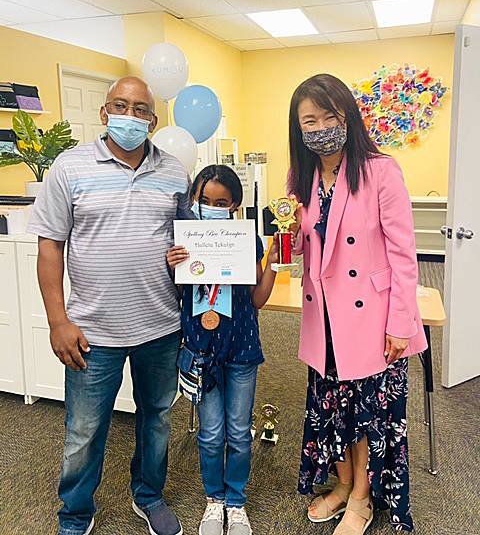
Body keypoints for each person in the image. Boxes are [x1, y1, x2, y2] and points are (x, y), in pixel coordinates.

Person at [27, 76, 192, 535]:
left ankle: (149, 496)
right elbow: (48, 248)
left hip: (161, 325)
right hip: (91, 332)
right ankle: (76, 514)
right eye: (121, 105)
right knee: (83, 432)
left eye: (141, 109)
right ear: (104, 113)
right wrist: (57, 320)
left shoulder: (174, 171)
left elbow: (191, 241)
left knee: (156, 418)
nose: (131, 115)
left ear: (154, 121)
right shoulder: (69, 167)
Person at [287, 74, 427, 534]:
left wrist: (401, 323)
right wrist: (285, 241)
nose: (322, 126)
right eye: (311, 120)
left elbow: (405, 256)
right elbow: (304, 248)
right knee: (331, 409)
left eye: (331, 115)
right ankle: (344, 485)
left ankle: (363, 500)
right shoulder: (299, 176)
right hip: (323, 316)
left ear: (348, 116)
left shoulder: (379, 170)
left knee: (365, 416)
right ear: (299, 128)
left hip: (373, 318)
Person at [166, 164, 278, 535]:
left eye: (221, 202)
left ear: (235, 205)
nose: (212, 206)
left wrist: (272, 265)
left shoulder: (248, 241)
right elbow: (182, 295)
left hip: (242, 347)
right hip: (201, 349)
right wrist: (173, 267)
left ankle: (236, 502)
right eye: (204, 200)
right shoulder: (182, 244)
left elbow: (257, 300)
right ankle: (214, 500)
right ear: (193, 201)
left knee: (240, 431)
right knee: (211, 432)